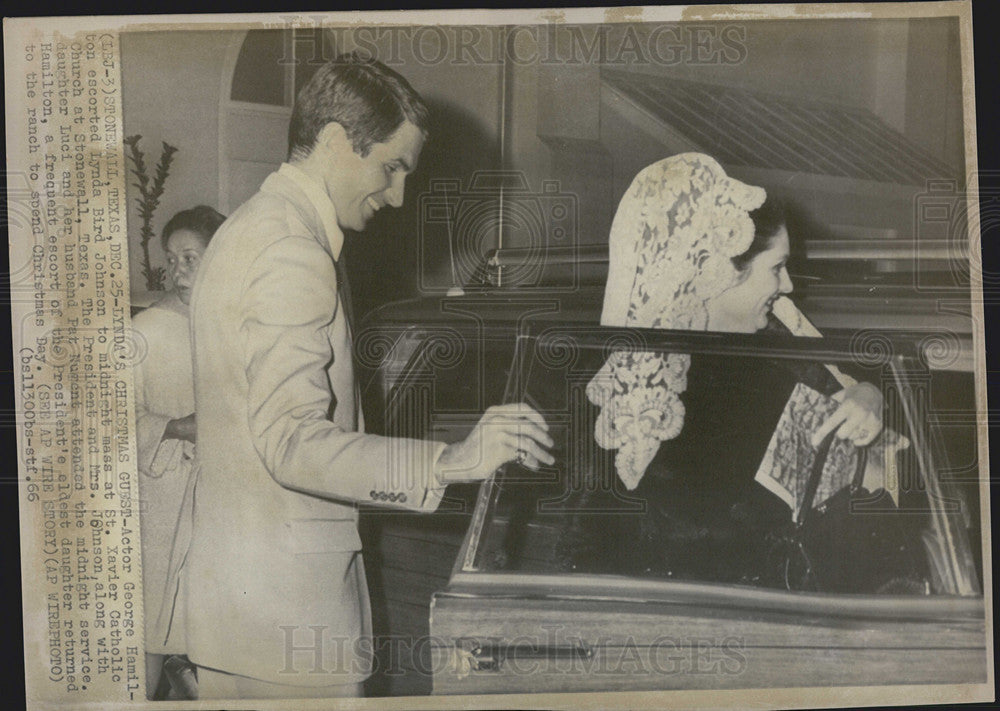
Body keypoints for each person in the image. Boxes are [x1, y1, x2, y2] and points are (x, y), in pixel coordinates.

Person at [160, 52, 553, 699]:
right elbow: (292, 443)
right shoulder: (294, 248)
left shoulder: (246, 227)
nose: (398, 195)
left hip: (239, 611)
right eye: (392, 166)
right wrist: (452, 459)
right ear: (340, 141)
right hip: (288, 620)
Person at [559, 153, 887, 582]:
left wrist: (870, 394)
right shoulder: (633, 393)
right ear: (720, 273)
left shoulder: (776, 342)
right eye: (777, 267)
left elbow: (858, 410)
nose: (787, 286)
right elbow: (591, 553)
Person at [132, 205, 225, 698]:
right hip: (162, 498)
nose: (179, 269)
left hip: (221, 493)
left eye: (192, 255)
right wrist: (179, 427)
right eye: (172, 257)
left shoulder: (233, 324)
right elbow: (107, 423)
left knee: (211, 624)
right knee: (153, 625)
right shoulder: (144, 331)